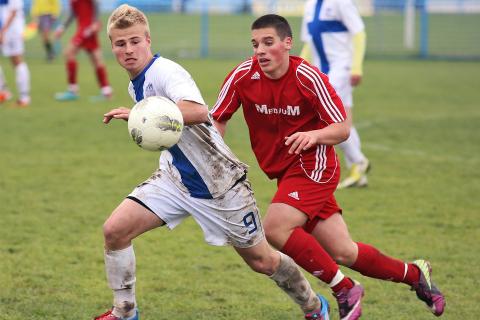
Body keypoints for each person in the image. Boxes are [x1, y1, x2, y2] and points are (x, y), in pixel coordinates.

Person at [94, 5, 331, 320]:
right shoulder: (135, 82)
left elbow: (198, 111)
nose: (128, 50)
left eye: (135, 41)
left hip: (220, 185)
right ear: (112, 47)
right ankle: (125, 312)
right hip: (176, 179)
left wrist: (143, 115)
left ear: (148, 40)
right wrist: (141, 115)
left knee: (263, 261)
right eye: (120, 44)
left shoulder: (166, 72)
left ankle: (314, 306)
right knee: (115, 231)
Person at [211, 14, 445, 320]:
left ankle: (344, 288)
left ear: (287, 43)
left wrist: (313, 135)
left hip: (314, 166)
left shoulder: (308, 77)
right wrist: (216, 157)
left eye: (269, 43)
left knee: (275, 228)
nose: (260, 51)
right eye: (255, 44)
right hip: (285, 173)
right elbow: (218, 117)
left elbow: (342, 128)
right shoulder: (243, 75)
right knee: (343, 252)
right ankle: (415, 275)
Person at [300, 0, 370, 189]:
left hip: (341, 69)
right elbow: (308, 43)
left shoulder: (341, 2)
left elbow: (359, 33)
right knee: (343, 120)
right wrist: (299, 68)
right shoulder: (309, 6)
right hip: (322, 71)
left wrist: (356, 67)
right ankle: (358, 170)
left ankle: (358, 160)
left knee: (329, 118)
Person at [54, 0, 112, 101]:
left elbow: (96, 3)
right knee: (96, 58)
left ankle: (73, 91)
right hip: (84, 27)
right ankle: (106, 91)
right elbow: (73, 13)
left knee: (69, 53)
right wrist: (62, 28)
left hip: (88, 28)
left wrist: (95, 22)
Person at [0, 0, 31, 107]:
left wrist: (3, 31)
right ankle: (3, 92)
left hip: (13, 30)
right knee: (15, 61)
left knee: (17, 60)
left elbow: (14, 11)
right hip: (6, 29)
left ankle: (24, 98)